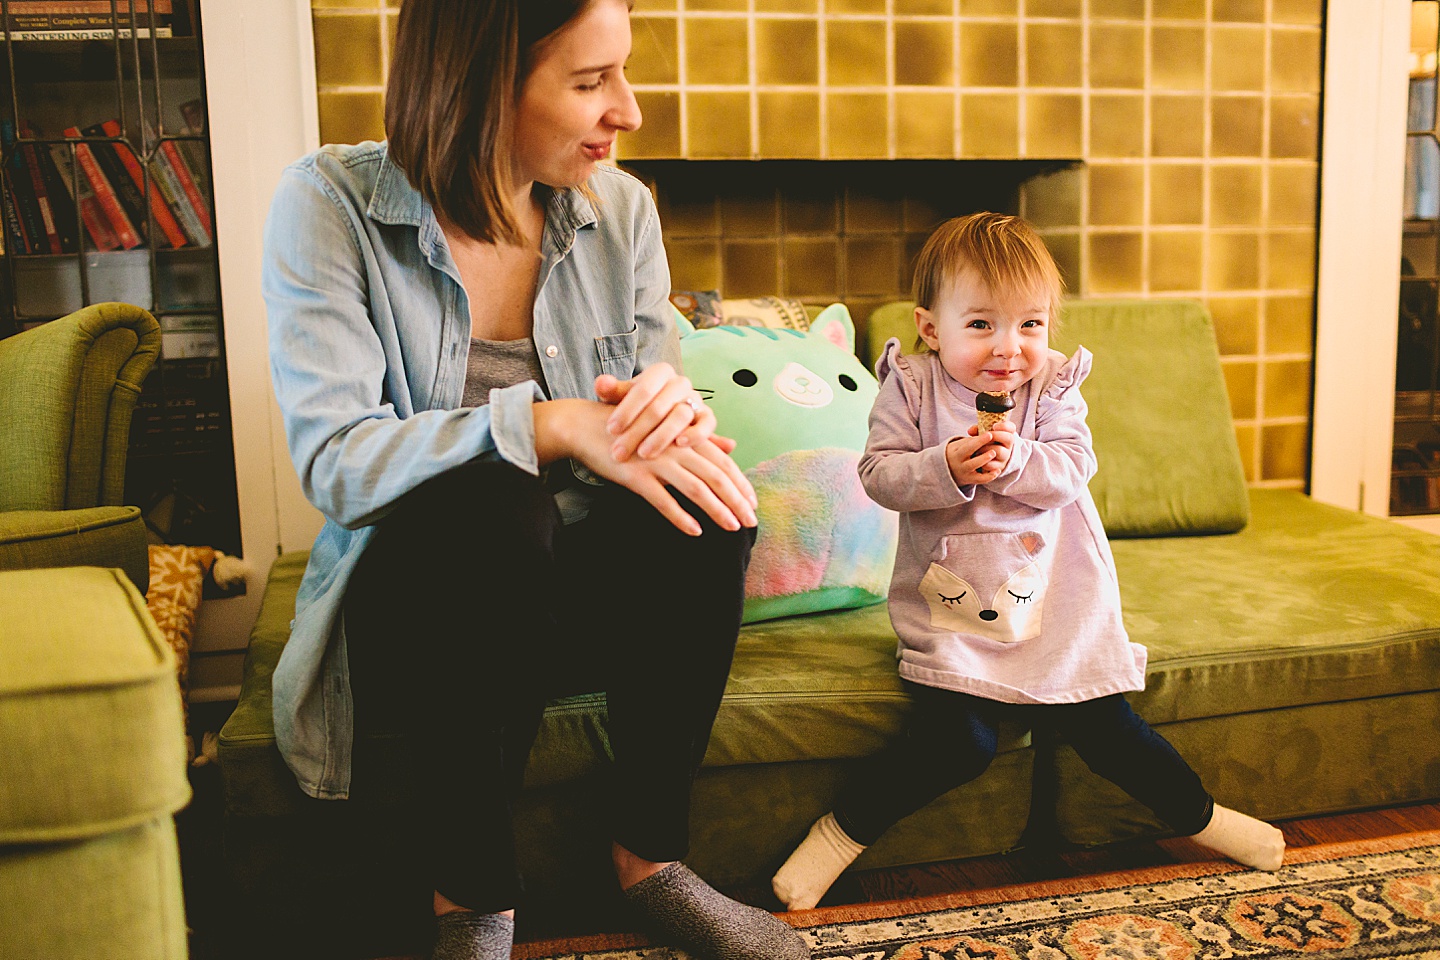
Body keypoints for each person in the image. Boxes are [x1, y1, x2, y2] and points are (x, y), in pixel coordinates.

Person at [260, 2, 811, 958]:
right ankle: (470, 903)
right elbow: (337, 462)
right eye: (591, 83)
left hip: (574, 604)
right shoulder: (329, 206)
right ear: (476, 87)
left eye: (621, 74)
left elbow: (648, 397)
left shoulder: (620, 211)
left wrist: (670, 418)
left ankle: (653, 867)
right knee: (492, 499)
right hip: (433, 613)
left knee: (702, 499)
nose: (628, 112)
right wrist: (550, 423)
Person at [769, 213, 1286, 912]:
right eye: (980, 325)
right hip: (952, 605)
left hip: (1055, 600)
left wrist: (1019, 461)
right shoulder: (912, 388)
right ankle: (838, 836)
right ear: (931, 328)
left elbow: (1072, 470)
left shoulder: (1053, 390)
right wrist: (943, 464)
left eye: (1030, 325)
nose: (1008, 348)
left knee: (1110, 732)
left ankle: (1204, 818)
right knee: (960, 744)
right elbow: (880, 476)